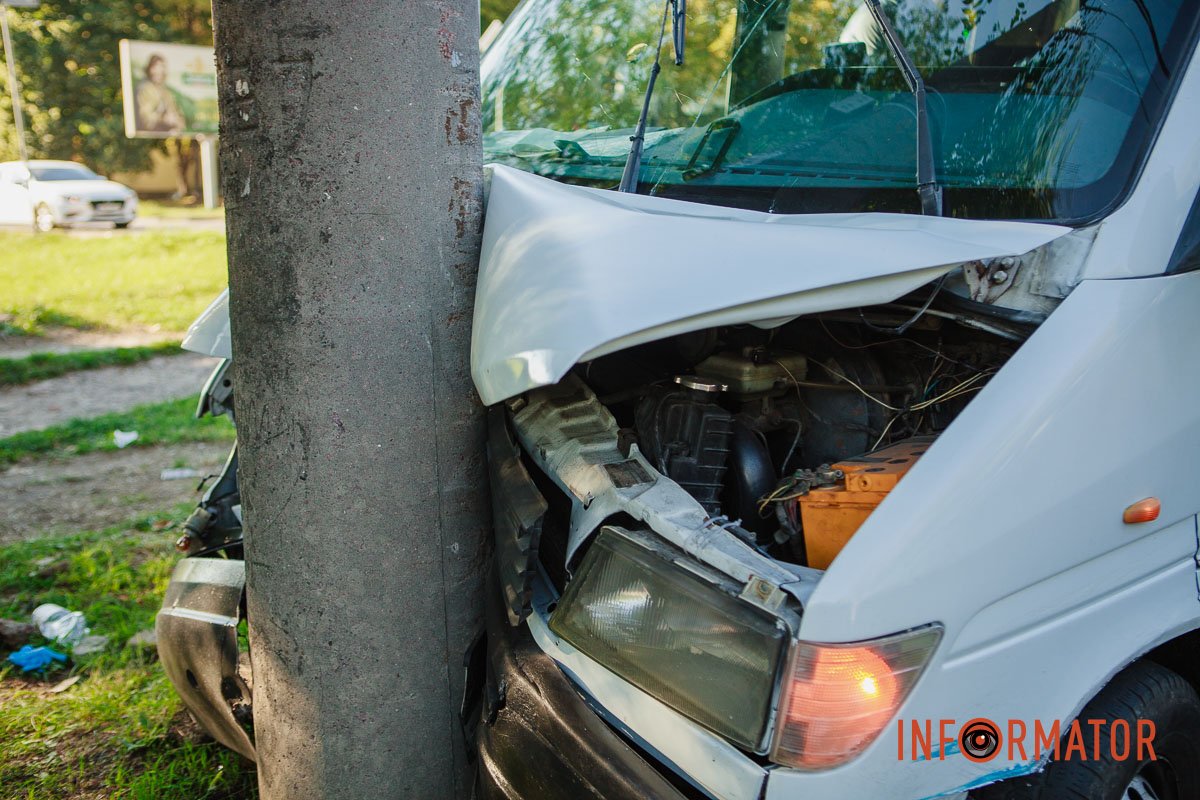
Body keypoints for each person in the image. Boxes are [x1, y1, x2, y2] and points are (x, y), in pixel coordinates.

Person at [135, 54, 185, 133]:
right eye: (156, 68)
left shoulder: (166, 92)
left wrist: (176, 123)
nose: (159, 72)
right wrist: (163, 119)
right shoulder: (144, 89)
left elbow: (177, 115)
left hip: (167, 135)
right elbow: (145, 118)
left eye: (162, 68)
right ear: (150, 69)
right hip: (149, 134)